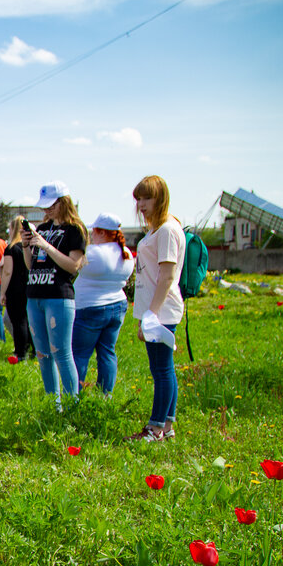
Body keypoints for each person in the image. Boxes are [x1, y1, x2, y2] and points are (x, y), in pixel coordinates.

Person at [128, 175, 185, 442]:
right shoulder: (157, 229)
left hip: (161, 311)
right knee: (164, 368)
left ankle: (156, 428)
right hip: (155, 310)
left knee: (161, 370)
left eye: (147, 197)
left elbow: (167, 276)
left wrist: (151, 314)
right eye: (138, 198)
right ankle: (167, 426)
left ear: (160, 198)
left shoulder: (167, 230)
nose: (141, 204)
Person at [22, 182, 87, 405]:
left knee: (61, 352)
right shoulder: (41, 229)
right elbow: (31, 266)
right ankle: (53, 405)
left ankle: (71, 406)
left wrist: (46, 246)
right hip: (35, 295)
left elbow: (73, 265)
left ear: (63, 202)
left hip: (59, 296)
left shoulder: (75, 230)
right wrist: (25, 245)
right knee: (42, 354)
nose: (46, 210)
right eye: (44, 206)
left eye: (51, 206)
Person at [72, 214, 135, 395]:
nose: (91, 234)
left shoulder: (92, 253)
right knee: (107, 353)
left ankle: (74, 395)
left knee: (81, 354)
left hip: (89, 307)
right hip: (117, 305)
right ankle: (105, 395)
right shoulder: (126, 253)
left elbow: (73, 266)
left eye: (94, 231)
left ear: (101, 232)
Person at [0, 216, 33, 361]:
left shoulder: (11, 248)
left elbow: (7, 271)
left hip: (14, 288)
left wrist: (2, 292)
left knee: (18, 321)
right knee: (27, 320)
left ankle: (20, 353)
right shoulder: (28, 247)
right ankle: (33, 349)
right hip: (28, 286)